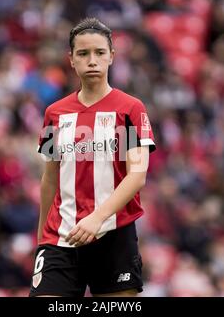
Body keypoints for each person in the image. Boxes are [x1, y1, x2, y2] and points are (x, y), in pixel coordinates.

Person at [29, 17, 156, 297]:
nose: (92, 60)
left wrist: (97, 218)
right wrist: (42, 240)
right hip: (61, 236)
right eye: (83, 54)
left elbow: (138, 174)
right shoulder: (54, 114)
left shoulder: (130, 109)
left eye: (99, 53)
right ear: (71, 60)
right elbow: (50, 177)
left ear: (112, 56)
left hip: (114, 234)